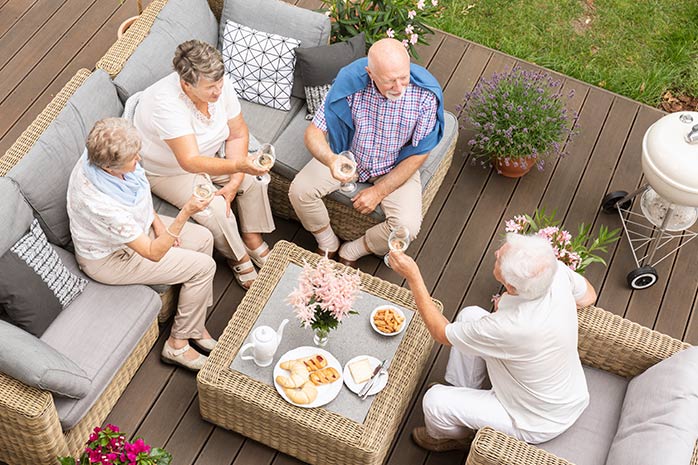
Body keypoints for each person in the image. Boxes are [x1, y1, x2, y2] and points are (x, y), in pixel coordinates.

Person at [388, 233, 596, 451]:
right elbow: (589, 295)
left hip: (534, 418)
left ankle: (453, 436)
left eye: (500, 259)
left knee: (434, 401)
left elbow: (440, 333)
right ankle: (461, 391)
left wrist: (413, 277)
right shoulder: (553, 272)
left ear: (511, 286)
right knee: (469, 315)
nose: (496, 253)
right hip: (562, 392)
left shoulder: (511, 327)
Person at [67, 118, 218, 372]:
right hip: (110, 257)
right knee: (204, 267)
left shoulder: (104, 160)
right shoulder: (100, 203)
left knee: (204, 239)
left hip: (136, 229)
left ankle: (194, 323)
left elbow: (139, 191)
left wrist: (158, 224)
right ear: (109, 167)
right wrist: (184, 213)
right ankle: (177, 344)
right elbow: (153, 252)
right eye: (133, 158)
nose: (138, 159)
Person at [289, 38, 444, 267]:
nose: (400, 88)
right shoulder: (349, 82)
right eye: (390, 81)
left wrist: (380, 191)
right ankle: (328, 242)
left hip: (394, 165)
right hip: (349, 156)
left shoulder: (426, 95)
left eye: (403, 77)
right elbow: (313, 133)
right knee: (299, 191)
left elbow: (420, 153)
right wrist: (332, 160)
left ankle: (352, 251)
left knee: (407, 229)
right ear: (370, 73)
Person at [133, 39, 275, 289]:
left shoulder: (220, 85)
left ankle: (252, 239)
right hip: (170, 171)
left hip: (210, 154)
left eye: (220, 82)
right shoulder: (165, 105)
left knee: (255, 180)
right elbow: (190, 161)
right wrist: (239, 165)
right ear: (186, 84)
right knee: (215, 209)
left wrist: (236, 180)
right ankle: (238, 257)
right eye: (211, 87)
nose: (218, 91)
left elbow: (238, 134)